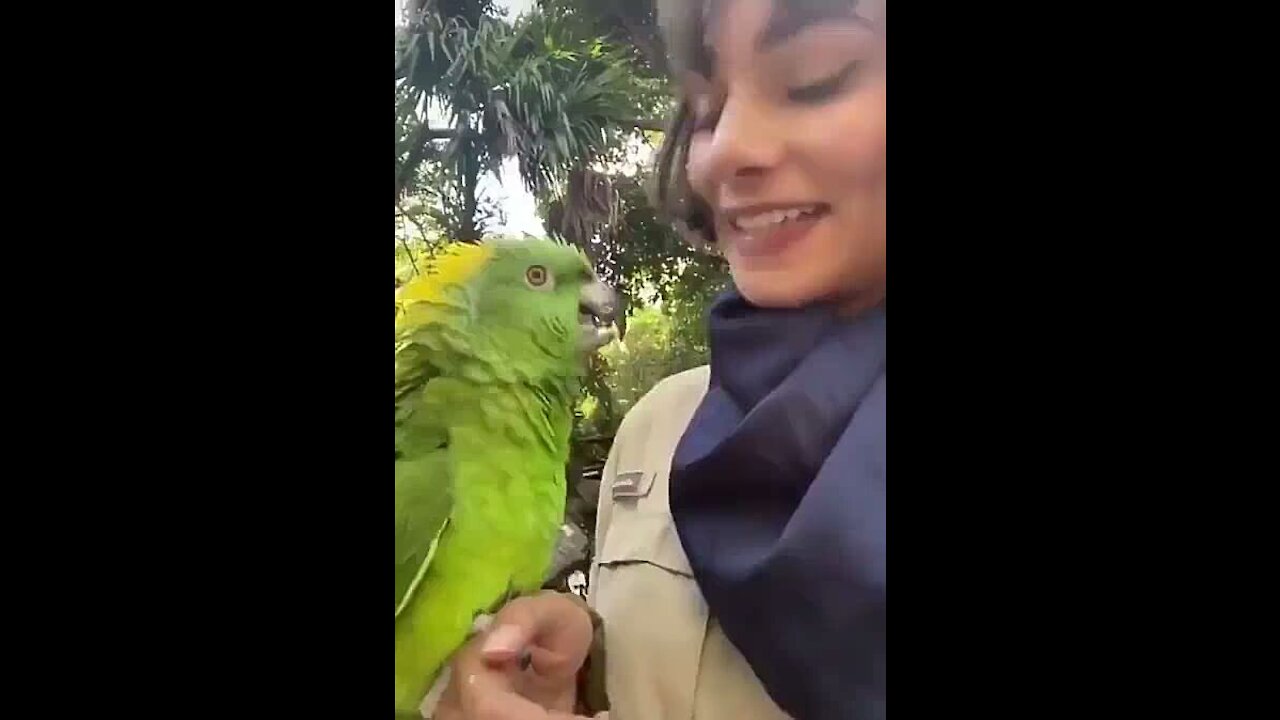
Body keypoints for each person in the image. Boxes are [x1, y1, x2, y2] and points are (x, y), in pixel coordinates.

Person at [434, 0, 885, 717]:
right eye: (706, 110)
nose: (725, 149)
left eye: (814, 79)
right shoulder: (661, 427)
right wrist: (577, 673)